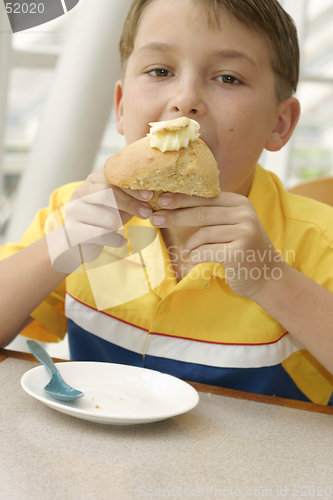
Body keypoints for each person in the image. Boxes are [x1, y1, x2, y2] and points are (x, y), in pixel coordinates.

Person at [1, 0, 333, 405]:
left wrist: (270, 280)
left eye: (228, 78)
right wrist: (59, 248)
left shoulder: (320, 241)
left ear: (279, 124)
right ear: (122, 108)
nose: (185, 99)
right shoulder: (74, 212)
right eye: (160, 71)